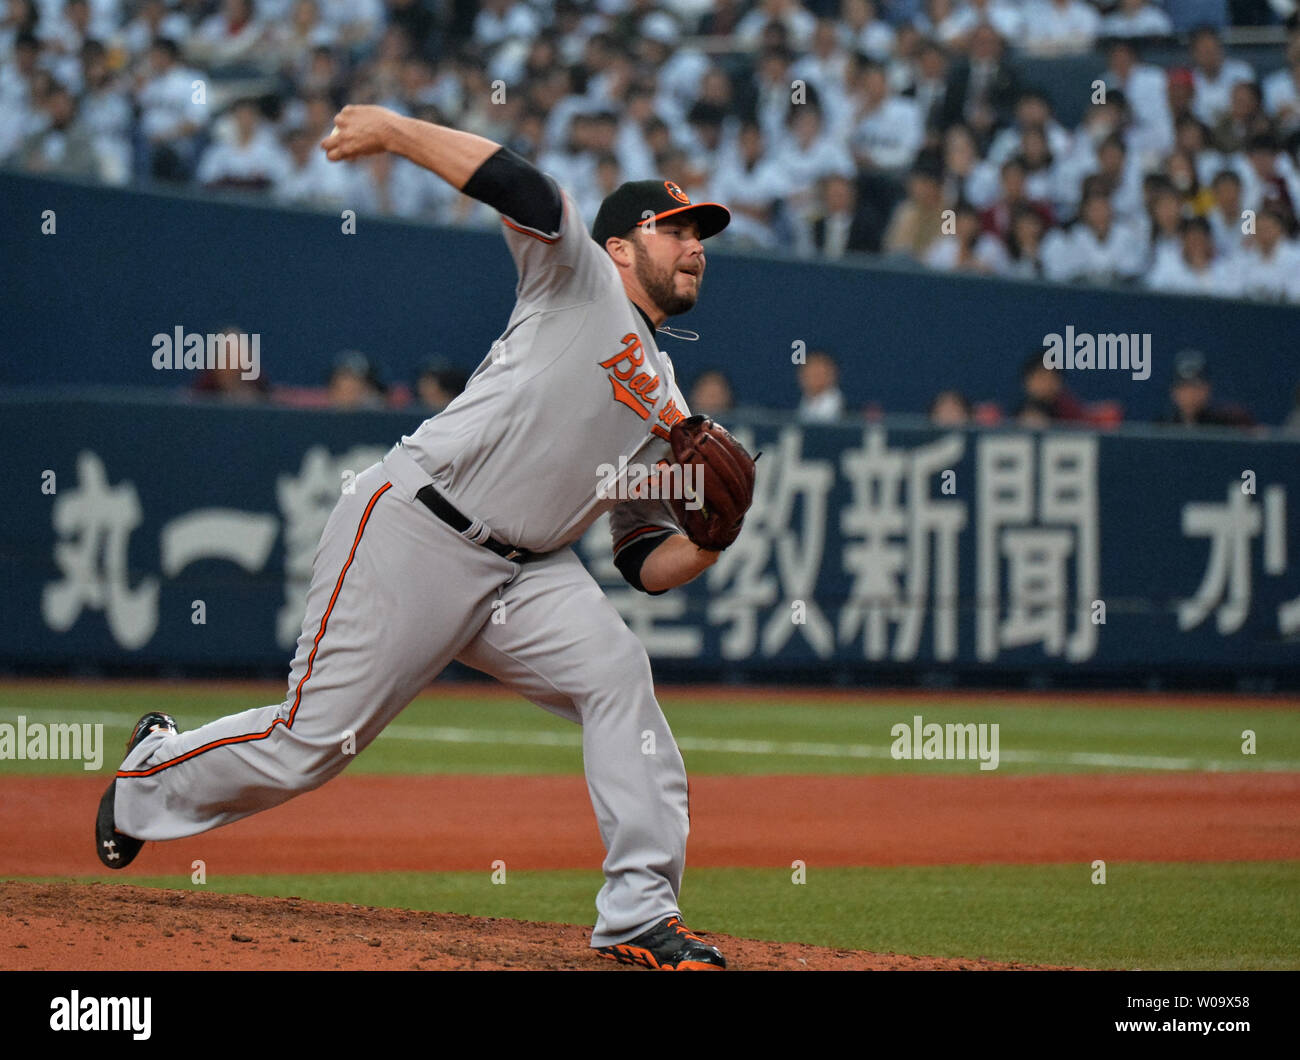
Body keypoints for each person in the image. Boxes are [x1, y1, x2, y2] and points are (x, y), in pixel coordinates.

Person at [95, 104, 746, 972]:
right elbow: (524, 187)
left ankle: (638, 913)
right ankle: (150, 772)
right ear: (620, 248)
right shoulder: (577, 279)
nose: (694, 245)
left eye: (701, 234)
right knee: (309, 746)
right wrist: (397, 132)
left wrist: (708, 544)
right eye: (674, 230)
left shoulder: (669, 405)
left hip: (526, 575)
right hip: (417, 526)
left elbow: (639, 562)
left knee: (619, 676)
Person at [1157, 349, 1253, 428]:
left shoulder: (1226, 424)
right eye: (1184, 387)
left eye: (1196, 387)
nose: (1191, 394)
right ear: (1173, 391)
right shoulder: (1161, 427)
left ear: (1207, 389)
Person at [797, 349, 846, 422]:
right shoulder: (803, 402)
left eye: (818, 373)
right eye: (809, 372)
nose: (813, 377)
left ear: (832, 374)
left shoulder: (843, 406)